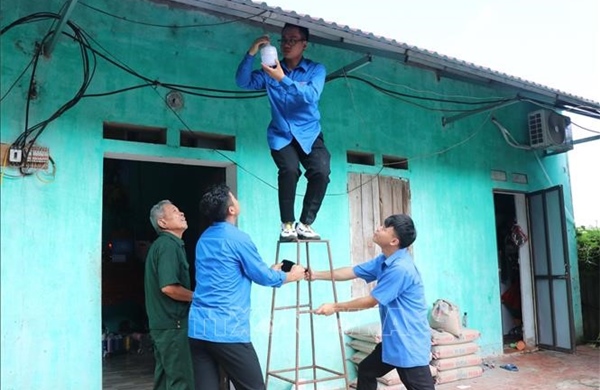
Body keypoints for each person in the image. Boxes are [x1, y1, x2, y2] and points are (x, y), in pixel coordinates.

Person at [188, 184, 306, 390]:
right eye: (233, 197)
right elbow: (264, 277)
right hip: (227, 328)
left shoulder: (204, 238)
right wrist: (291, 275)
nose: (236, 199)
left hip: (198, 329)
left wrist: (269, 271)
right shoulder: (238, 238)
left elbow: (226, 273)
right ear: (231, 210)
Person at [308, 214, 435, 390]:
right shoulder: (385, 260)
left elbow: (370, 301)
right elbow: (352, 272)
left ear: (394, 241)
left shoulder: (400, 269)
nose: (378, 228)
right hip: (394, 341)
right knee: (367, 370)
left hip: (409, 343)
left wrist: (334, 307)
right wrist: (316, 275)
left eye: (384, 228)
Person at [236, 23, 331, 242]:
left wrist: (282, 78)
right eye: (284, 40)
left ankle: (305, 224)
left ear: (304, 44)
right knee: (289, 170)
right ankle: (287, 223)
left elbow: (311, 96)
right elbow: (242, 82)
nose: (287, 44)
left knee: (321, 172)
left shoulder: (316, 70)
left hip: (309, 132)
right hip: (281, 134)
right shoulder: (269, 70)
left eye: (293, 40)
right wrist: (252, 51)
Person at [144, 200, 195, 390]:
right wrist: (200, 298)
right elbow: (169, 288)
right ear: (163, 223)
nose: (181, 213)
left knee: (165, 380)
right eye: (174, 211)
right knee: (181, 381)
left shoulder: (165, 245)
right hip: (173, 325)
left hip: (164, 326)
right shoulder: (168, 245)